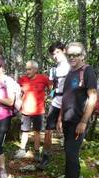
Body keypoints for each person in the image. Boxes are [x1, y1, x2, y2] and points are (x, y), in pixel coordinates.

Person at [57, 42, 98, 178]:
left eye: (76, 55)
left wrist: (83, 121)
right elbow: (65, 97)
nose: (72, 58)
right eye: (70, 55)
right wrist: (60, 118)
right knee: (69, 152)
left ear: (83, 55)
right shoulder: (70, 72)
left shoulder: (87, 71)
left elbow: (93, 97)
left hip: (78, 121)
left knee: (71, 154)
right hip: (67, 120)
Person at [38, 41, 70, 170]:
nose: (55, 55)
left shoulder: (71, 67)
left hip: (69, 102)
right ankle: (45, 157)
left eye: (57, 52)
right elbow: (52, 87)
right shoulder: (54, 69)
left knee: (67, 130)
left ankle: (70, 158)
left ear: (64, 50)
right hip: (56, 101)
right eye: (53, 54)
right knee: (48, 130)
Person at [14, 60, 51, 162]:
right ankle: (22, 149)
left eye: (29, 69)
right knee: (25, 131)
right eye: (26, 69)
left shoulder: (43, 78)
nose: (27, 71)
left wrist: (47, 97)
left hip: (38, 111)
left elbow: (51, 88)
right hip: (25, 110)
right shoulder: (23, 79)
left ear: (35, 69)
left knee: (37, 132)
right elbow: (17, 91)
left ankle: (36, 152)